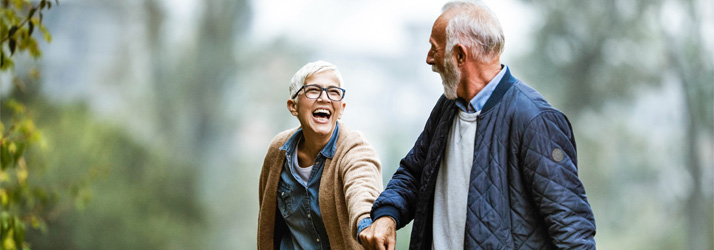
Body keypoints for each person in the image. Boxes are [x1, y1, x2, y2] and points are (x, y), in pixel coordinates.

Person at [359, 1, 596, 249]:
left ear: (460, 55)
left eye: (434, 49)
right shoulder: (447, 107)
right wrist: (387, 215)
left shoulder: (536, 120)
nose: (429, 59)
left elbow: (572, 230)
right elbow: (414, 174)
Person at [258, 60, 383, 250]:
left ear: (341, 108)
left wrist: (366, 223)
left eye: (333, 92)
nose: (324, 98)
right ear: (293, 106)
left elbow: (362, 189)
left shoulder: (355, 149)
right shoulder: (278, 151)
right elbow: (268, 222)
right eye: (313, 90)